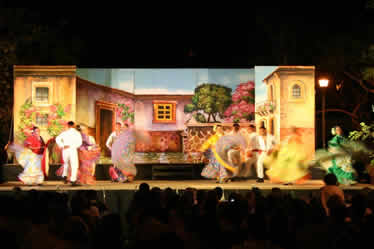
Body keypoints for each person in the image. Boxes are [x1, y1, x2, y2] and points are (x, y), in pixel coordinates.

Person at [55, 121, 83, 186]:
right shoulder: (77, 133)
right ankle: (73, 180)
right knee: (74, 165)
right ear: (73, 126)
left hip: (65, 149)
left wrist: (62, 145)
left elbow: (57, 139)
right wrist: (74, 146)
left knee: (66, 163)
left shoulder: (65, 133)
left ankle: (64, 176)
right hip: (72, 149)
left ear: (68, 125)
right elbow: (80, 142)